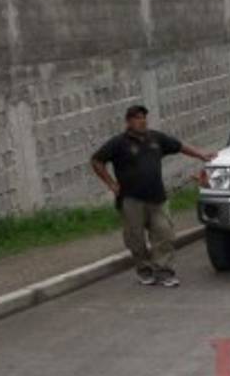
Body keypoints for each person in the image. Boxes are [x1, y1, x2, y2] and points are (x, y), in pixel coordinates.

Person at [90, 105, 216, 287]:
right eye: (137, 118)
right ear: (129, 122)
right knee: (136, 238)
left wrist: (201, 154)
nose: (142, 121)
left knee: (165, 233)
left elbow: (179, 146)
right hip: (131, 200)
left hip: (158, 198)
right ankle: (144, 269)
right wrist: (111, 183)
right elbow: (96, 160)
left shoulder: (155, 139)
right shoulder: (119, 143)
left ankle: (164, 271)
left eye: (144, 117)